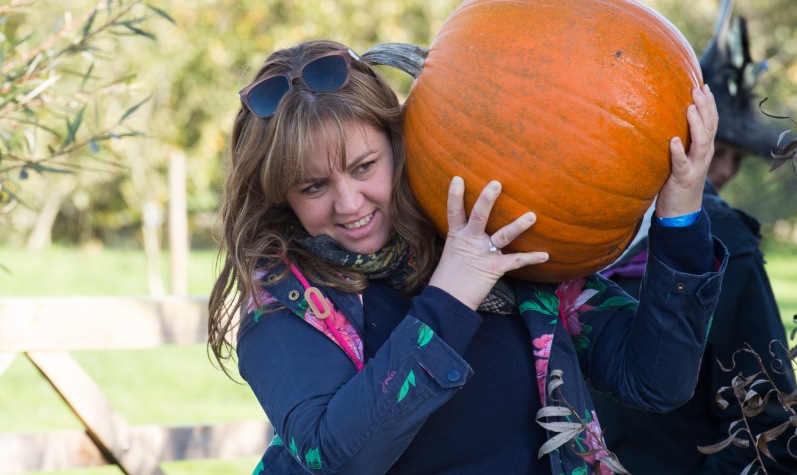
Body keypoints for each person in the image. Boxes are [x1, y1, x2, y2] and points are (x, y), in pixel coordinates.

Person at [207, 37, 727, 474]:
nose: (348, 203)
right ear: (282, 197)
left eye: (364, 167)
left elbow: (656, 379)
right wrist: (449, 299)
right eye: (314, 186)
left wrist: (679, 215)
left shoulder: (488, 237)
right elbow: (341, 461)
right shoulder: (283, 308)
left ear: (399, 144)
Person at [594, 0, 797, 474]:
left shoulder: (723, 241)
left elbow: (771, 431)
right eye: (718, 149)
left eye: (731, 155)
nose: (723, 169)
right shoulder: (573, 223)